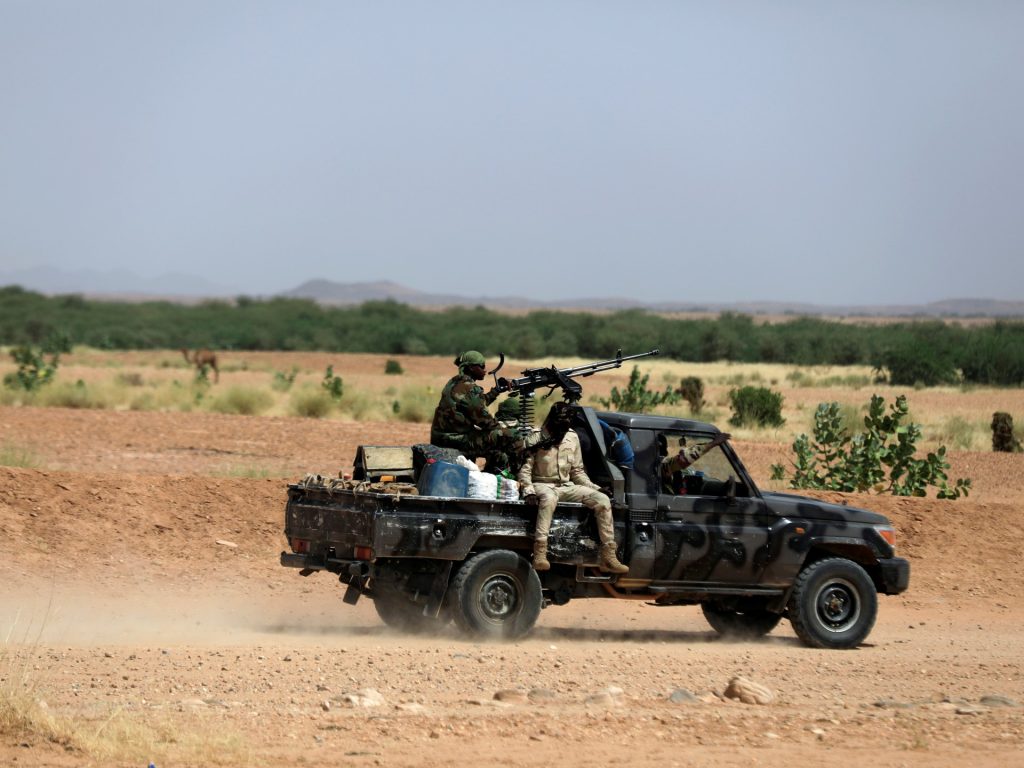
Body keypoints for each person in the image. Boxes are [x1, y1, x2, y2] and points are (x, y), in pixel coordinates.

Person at [517, 402, 629, 574]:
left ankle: (609, 555)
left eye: (567, 421)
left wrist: (596, 489)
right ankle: (540, 552)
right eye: (561, 421)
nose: (564, 425)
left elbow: (577, 472)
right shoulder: (536, 437)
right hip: (543, 484)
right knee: (548, 498)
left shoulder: (572, 437)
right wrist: (529, 492)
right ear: (553, 419)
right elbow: (525, 471)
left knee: (603, 500)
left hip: (567, 486)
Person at [431, 351, 516, 472]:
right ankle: (506, 476)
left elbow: (474, 405)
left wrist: (496, 391)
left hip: (443, 437)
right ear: (471, 367)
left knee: (497, 442)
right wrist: (503, 430)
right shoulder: (470, 388)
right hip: (456, 440)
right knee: (509, 436)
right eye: (482, 366)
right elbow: (485, 421)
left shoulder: (455, 382)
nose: (485, 369)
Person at [659, 433, 727, 494]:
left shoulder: (652, 465)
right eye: (665, 448)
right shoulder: (660, 464)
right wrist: (714, 443)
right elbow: (685, 458)